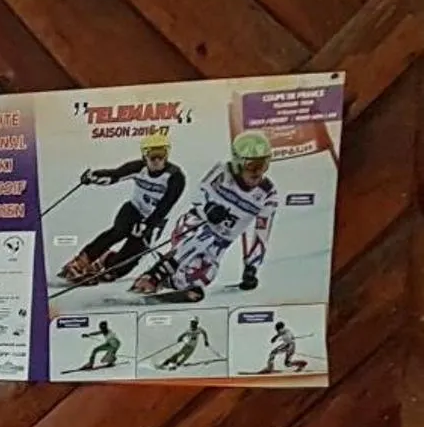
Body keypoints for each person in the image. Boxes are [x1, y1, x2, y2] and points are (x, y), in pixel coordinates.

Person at [132, 130, 277, 304]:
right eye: (252, 166)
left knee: (205, 276)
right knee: (203, 236)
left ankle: (173, 282)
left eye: (264, 165)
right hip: (193, 224)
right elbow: (199, 195)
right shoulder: (223, 172)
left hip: (220, 243)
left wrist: (251, 267)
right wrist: (208, 209)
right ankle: (154, 276)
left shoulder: (268, 194)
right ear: (238, 162)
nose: (258, 173)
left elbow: (262, 233)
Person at [59, 131, 184, 285]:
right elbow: (115, 175)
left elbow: (166, 205)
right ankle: (81, 262)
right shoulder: (139, 167)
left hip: (155, 219)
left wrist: (148, 224)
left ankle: (107, 265)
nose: (157, 160)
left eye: (161, 155)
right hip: (134, 210)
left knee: (133, 254)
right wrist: (93, 176)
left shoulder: (176, 177)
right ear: (144, 156)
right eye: (152, 156)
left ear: (167, 155)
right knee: (119, 231)